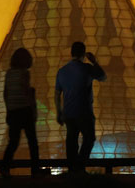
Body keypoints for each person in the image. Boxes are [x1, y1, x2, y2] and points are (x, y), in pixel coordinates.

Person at [54, 41, 105, 173]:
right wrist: (94, 61)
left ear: (71, 53)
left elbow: (57, 93)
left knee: (71, 141)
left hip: (68, 113)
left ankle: (72, 169)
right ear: (84, 54)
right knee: (89, 138)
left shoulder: (62, 71)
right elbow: (103, 77)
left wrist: (59, 112)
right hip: (84, 112)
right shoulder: (87, 68)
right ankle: (80, 167)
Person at [0, 47, 39, 177]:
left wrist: (8, 109)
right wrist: (33, 110)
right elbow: (26, 92)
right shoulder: (24, 73)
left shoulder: (9, 73)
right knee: (32, 142)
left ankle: (4, 168)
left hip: (13, 111)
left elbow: (5, 93)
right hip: (25, 110)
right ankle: (35, 170)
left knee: (13, 142)